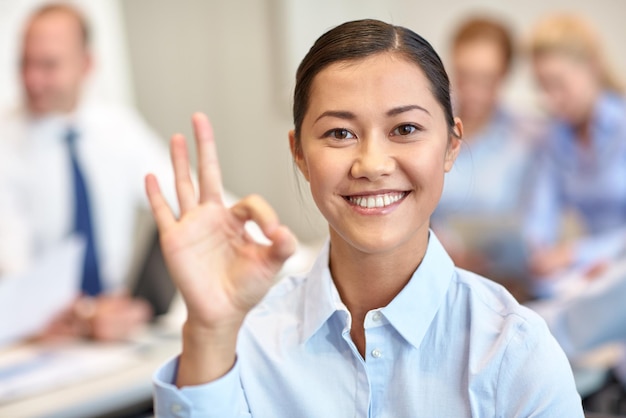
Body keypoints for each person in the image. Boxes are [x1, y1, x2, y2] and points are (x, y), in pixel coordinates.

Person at [148, 19, 582, 417]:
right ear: (299, 152)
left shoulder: (515, 350)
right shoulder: (246, 340)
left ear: (451, 146)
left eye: (405, 129)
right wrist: (208, 330)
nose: (371, 163)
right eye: (340, 133)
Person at [0, 3, 172, 340]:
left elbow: (184, 197)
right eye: (25, 63)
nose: (31, 79)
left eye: (48, 65)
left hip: (113, 330)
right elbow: (14, 271)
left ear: (86, 64)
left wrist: (272, 246)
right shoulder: (5, 143)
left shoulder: (117, 127)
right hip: (37, 337)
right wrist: (84, 315)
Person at [433, 17, 538, 290]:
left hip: (501, 281)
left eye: (486, 79)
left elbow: (534, 227)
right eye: (464, 76)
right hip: (431, 269)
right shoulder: (429, 127)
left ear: (504, 75)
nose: (473, 91)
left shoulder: (527, 139)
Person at [524, 14, 626, 292]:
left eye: (558, 83)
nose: (551, 99)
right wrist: (537, 251)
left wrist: (576, 253)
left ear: (591, 66)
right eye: (543, 87)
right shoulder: (555, 137)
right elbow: (541, 211)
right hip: (593, 273)